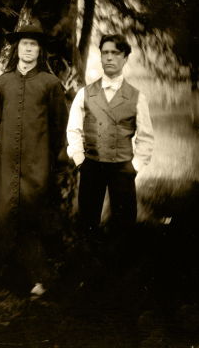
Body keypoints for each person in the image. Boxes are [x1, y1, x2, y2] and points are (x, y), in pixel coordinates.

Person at [0, 18, 68, 297]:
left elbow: (59, 127)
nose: (28, 49)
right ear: (17, 48)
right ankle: (9, 277)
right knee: (5, 216)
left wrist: (53, 161)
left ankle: (39, 277)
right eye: (24, 44)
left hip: (38, 165)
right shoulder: (3, 82)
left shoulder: (51, 83)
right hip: (7, 164)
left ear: (40, 50)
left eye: (33, 45)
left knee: (33, 218)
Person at [66, 34, 154, 263]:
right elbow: (73, 129)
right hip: (91, 166)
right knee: (88, 222)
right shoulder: (85, 93)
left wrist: (135, 166)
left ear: (125, 58)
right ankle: (88, 269)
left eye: (115, 53)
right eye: (105, 53)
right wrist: (79, 159)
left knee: (124, 224)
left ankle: (119, 271)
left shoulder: (137, 97)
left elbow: (146, 137)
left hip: (122, 168)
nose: (109, 58)